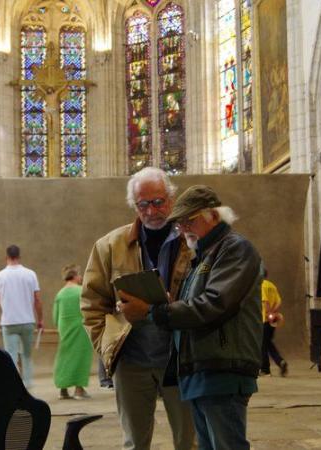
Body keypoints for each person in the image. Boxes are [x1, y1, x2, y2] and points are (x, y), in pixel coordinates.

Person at [119, 185, 263, 450]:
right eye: (180, 223)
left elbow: (213, 304)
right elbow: (197, 305)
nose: (184, 228)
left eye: (190, 220)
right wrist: (168, 304)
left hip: (222, 369)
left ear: (214, 216)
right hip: (201, 369)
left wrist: (152, 311)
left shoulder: (234, 249)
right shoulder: (204, 255)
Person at [81, 167, 195, 450]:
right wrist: (108, 347)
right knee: (135, 443)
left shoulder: (192, 242)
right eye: (142, 204)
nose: (151, 211)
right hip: (132, 361)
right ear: (134, 205)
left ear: (171, 198)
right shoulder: (109, 245)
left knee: (190, 441)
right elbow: (92, 303)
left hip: (181, 358)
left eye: (158, 202)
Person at [0, 245, 43, 389]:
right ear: (19, 257)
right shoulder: (31, 274)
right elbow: (37, 299)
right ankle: (28, 384)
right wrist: (40, 319)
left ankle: (12, 386)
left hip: (9, 322)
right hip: (28, 321)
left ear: (6, 257)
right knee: (26, 355)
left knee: (11, 355)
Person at [53, 264, 93, 400]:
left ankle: (63, 389)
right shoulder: (80, 291)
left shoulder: (60, 293)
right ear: (75, 276)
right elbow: (89, 309)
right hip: (80, 327)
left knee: (64, 356)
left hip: (64, 328)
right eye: (79, 274)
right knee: (81, 356)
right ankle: (79, 389)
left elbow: (55, 315)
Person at [260, 272, 288, 377]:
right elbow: (279, 301)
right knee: (267, 343)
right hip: (273, 319)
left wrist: (268, 313)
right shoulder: (271, 285)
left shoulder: (261, 285)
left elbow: (265, 301)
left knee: (263, 345)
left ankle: (265, 370)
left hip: (265, 319)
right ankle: (281, 362)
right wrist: (274, 312)